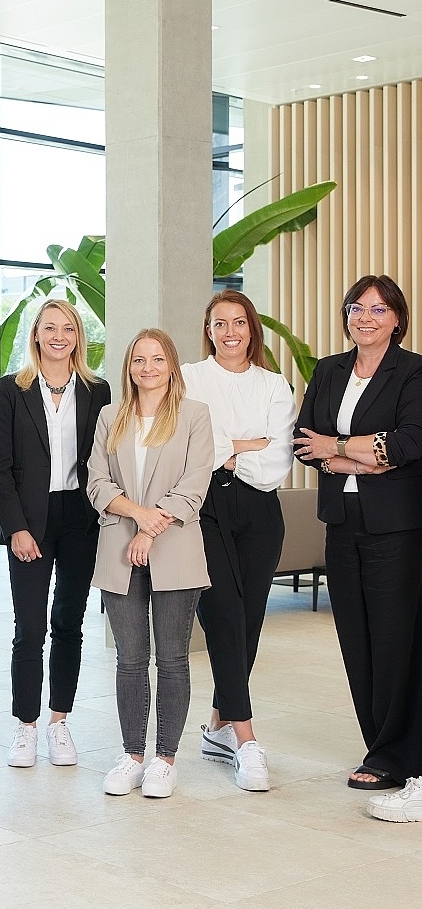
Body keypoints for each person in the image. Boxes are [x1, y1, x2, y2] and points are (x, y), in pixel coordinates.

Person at [292, 275, 422, 809]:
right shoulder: (328, 370)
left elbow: (411, 442)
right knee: (356, 641)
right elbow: (304, 442)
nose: (364, 317)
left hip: (395, 526)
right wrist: (359, 455)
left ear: (396, 317)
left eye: (377, 308)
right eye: (355, 307)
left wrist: (340, 449)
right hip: (341, 520)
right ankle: (378, 748)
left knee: (396, 642)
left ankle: (399, 757)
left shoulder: (413, 371)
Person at [87, 329, 213, 799]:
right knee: (130, 660)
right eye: (139, 359)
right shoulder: (110, 417)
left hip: (174, 550)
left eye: (157, 359)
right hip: (119, 549)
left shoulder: (194, 416)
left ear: (172, 365)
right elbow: (96, 482)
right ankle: (132, 755)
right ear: (129, 367)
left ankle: (165, 758)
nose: (147, 367)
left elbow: (194, 484)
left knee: (173, 658)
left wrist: (148, 530)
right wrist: (137, 516)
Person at [0, 298, 110, 768]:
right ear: (36, 335)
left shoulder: (97, 391)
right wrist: (15, 527)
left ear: (77, 337)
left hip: (80, 518)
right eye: (50, 328)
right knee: (29, 629)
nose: (59, 336)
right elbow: (0, 466)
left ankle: (59, 723)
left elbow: (106, 458)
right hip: (30, 520)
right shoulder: (11, 390)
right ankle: (26, 726)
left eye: (68, 329)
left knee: (69, 625)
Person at [182, 291, 295, 792]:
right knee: (222, 611)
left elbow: (274, 465)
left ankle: (218, 725)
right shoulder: (188, 378)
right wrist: (243, 444)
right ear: (207, 330)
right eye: (219, 323)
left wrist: (228, 449)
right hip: (204, 508)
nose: (230, 332)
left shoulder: (275, 386)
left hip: (260, 512)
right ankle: (247, 739)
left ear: (252, 329)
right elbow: (190, 448)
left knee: (247, 619)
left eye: (239, 323)